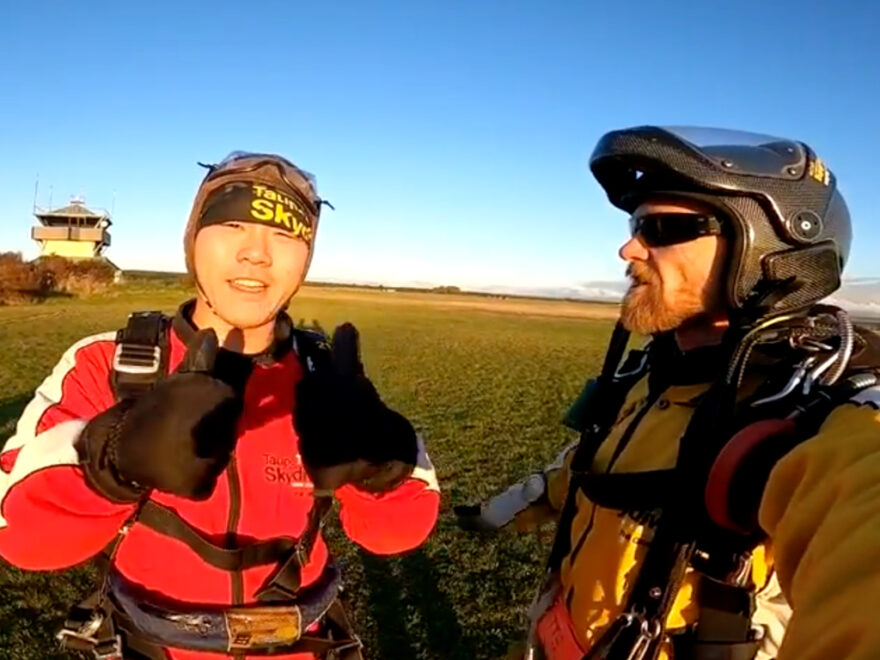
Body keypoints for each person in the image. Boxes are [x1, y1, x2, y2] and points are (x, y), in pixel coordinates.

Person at [460, 126, 880, 660]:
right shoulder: (655, 370)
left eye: (663, 227)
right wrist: (523, 500)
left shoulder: (825, 415)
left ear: (770, 253)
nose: (628, 247)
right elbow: (603, 463)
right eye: (638, 223)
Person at [0, 151, 440, 660]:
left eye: (286, 234)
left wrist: (382, 461)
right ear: (193, 240)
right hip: (152, 647)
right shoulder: (112, 362)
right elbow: (20, 539)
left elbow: (398, 534)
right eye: (232, 224)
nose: (257, 253)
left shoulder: (328, 377)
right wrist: (113, 457)